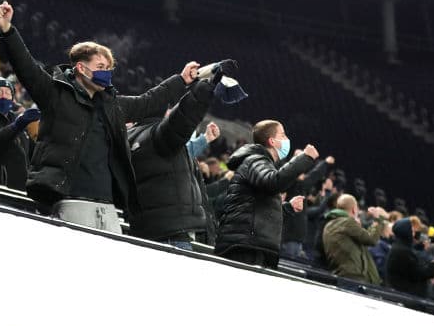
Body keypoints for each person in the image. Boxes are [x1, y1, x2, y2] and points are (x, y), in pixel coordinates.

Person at [0, 0, 196, 233]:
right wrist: (8, 30)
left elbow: (148, 102)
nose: (106, 72)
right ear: (80, 68)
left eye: (109, 68)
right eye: (100, 65)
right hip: (70, 202)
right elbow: (27, 68)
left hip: (108, 207)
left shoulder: (113, 105)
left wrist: (181, 80)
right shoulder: (55, 94)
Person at [127, 64, 235, 249]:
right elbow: (183, 116)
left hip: (146, 227)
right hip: (170, 231)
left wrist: (204, 139)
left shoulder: (131, 138)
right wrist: (205, 87)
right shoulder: (156, 134)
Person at [213, 119, 318, 269]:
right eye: (283, 135)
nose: (287, 139)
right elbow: (273, 183)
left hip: (252, 245)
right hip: (244, 247)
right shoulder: (255, 160)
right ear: (272, 141)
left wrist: (288, 207)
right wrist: (304, 158)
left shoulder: (263, 164)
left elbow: (258, 206)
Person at [322, 193, 388, 284]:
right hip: (353, 278)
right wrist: (377, 220)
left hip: (340, 274)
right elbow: (371, 240)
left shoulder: (329, 224)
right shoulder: (348, 223)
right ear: (354, 209)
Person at [386, 217, 434, 298]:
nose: (414, 233)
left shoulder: (399, 247)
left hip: (403, 293)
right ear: (406, 232)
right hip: (407, 297)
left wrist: (418, 247)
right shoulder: (403, 251)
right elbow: (419, 274)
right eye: (411, 230)